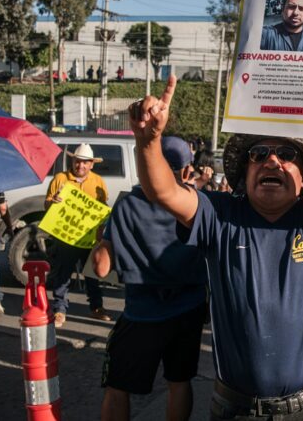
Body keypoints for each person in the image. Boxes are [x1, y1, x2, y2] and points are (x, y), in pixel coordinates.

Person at [129, 52, 303, 419]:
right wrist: (148, 141)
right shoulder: (220, 214)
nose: (272, 161)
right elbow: (164, 193)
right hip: (235, 409)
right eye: (259, 153)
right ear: (245, 174)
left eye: (285, 154)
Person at [94, 136, 207, 421]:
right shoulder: (198, 206)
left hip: (141, 314)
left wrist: (100, 240)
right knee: (179, 383)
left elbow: (100, 268)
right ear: (185, 172)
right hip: (189, 310)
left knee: (117, 387)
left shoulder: (125, 206)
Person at [46, 143, 111, 327]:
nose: (80, 166)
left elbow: (103, 208)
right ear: (72, 161)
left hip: (89, 239)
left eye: (85, 163)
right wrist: (54, 202)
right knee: (63, 274)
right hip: (65, 238)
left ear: (91, 164)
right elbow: (47, 205)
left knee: (92, 274)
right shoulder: (60, 179)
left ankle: (96, 308)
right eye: (77, 162)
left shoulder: (98, 181)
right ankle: (59, 310)